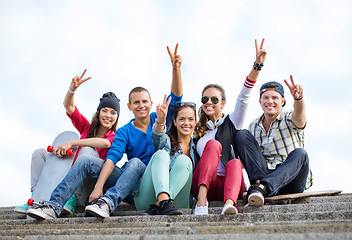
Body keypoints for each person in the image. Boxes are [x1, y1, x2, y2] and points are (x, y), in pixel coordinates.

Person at [26, 44, 183, 219]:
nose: (141, 105)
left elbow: (176, 97)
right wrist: (99, 186)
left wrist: (176, 69)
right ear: (129, 107)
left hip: (149, 183)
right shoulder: (124, 131)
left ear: (151, 103)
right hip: (129, 183)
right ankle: (53, 205)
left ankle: (108, 202)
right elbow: (112, 158)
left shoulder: (159, 117)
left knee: (137, 163)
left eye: (145, 101)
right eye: (136, 102)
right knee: (87, 158)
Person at [14, 69, 120, 215]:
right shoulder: (86, 127)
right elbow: (69, 107)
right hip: (68, 177)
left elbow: (106, 144)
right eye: (105, 111)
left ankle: (71, 199)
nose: (108, 115)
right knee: (39, 153)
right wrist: (72, 90)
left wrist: (71, 143)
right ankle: (37, 196)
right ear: (98, 113)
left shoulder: (115, 135)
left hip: (88, 186)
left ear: (117, 117)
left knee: (87, 151)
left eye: (113, 113)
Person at [191, 39, 267, 215]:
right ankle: (201, 202)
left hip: (229, 185)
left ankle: (229, 205)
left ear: (223, 103)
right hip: (204, 185)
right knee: (213, 145)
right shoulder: (197, 130)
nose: (209, 102)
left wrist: (257, 66)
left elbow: (244, 97)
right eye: (205, 99)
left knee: (235, 162)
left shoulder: (231, 122)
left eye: (214, 99)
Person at [235, 76, 312, 206]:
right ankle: (260, 187)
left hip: (291, 180)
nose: (270, 101)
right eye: (266, 98)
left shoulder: (289, 118)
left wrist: (298, 99)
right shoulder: (254, 126)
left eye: (275, 98)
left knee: (301, 154)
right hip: (264, 176)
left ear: (282, 101)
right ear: (260, 101)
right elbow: (250, 158)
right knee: (242, 134)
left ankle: (262, 188)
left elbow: (299, 116)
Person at [134, 96, 197, 215]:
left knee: (184, 160)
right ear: (174, 121)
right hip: (147, 199)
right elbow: (157, 136)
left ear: (195, 122)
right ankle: (163, 200)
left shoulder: (198, 147)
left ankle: (162, 204)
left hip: (178, 201)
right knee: (161, 154)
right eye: (182, 119)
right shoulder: (166, 141)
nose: (186, 123)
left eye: (190, 119)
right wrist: (160, 121)